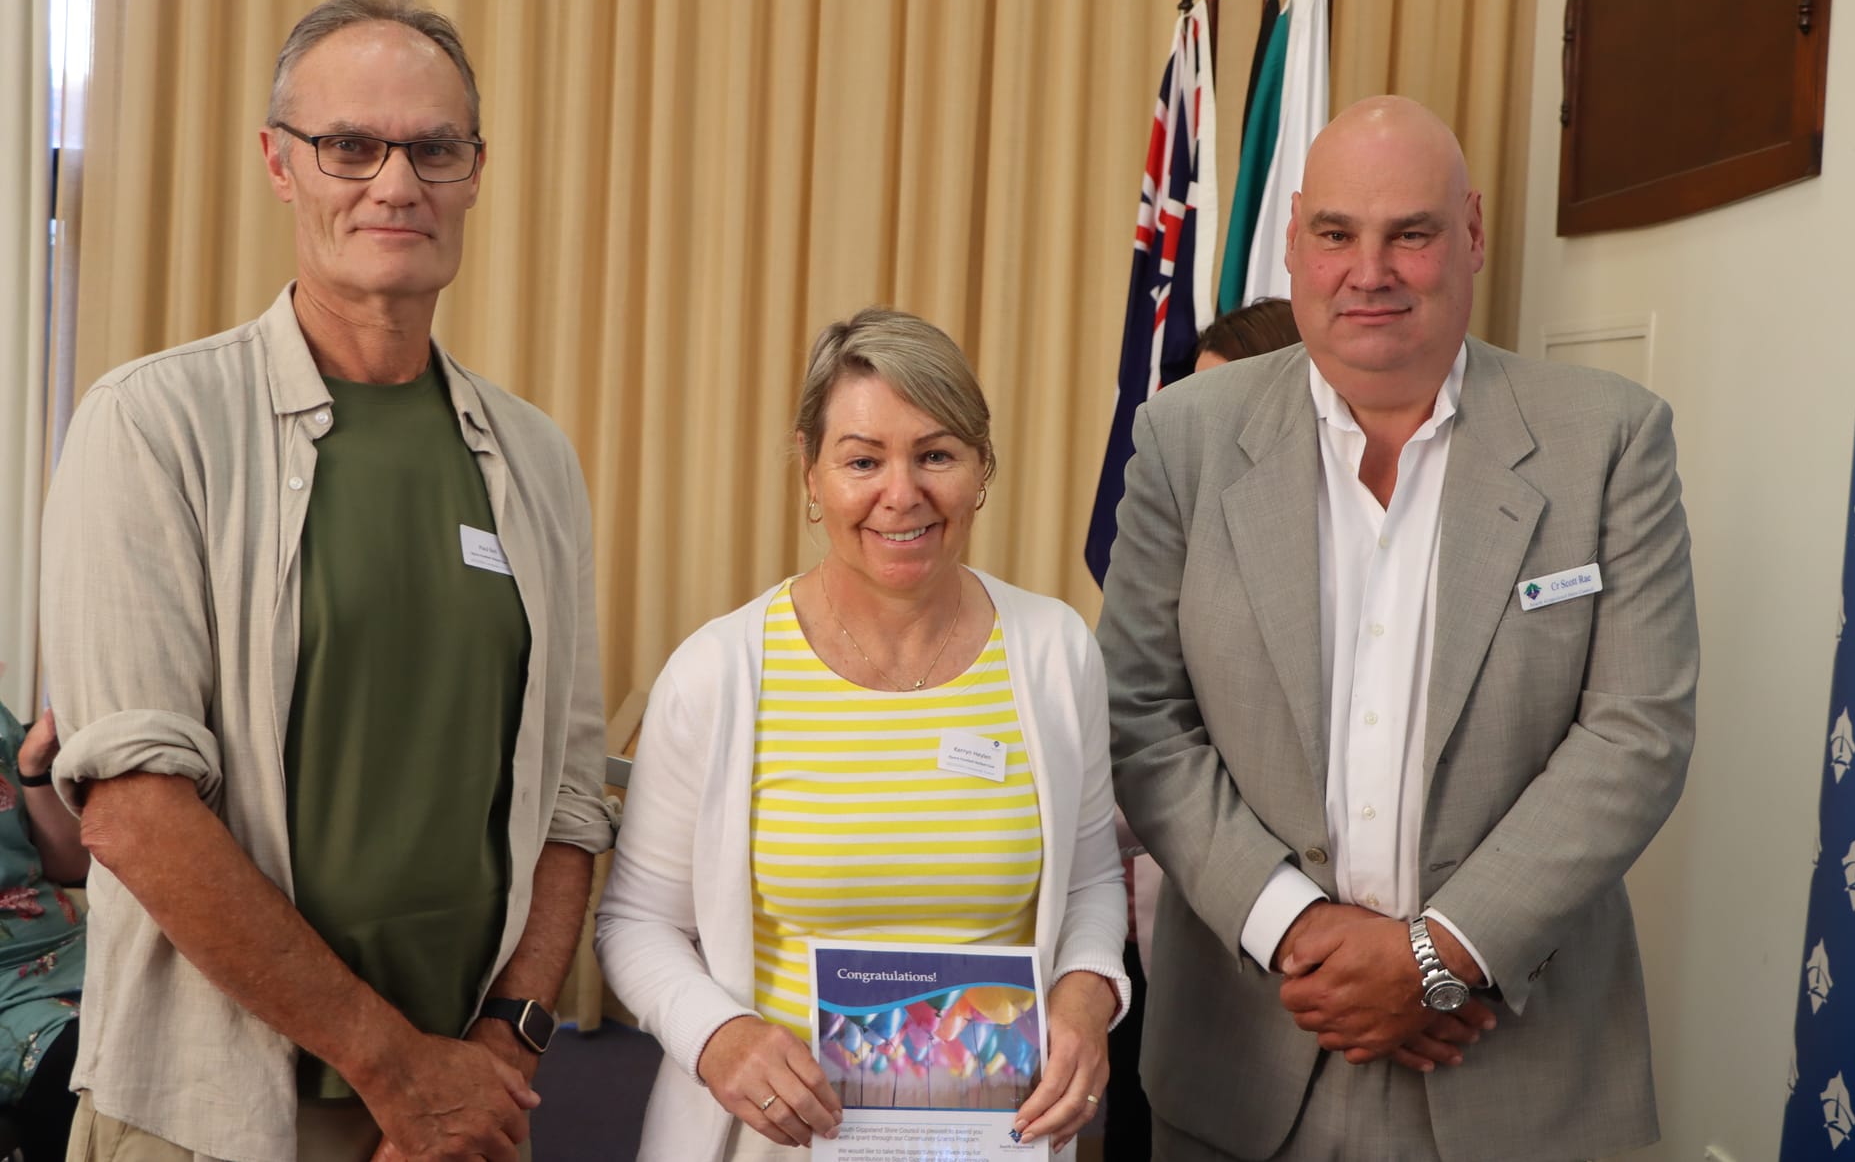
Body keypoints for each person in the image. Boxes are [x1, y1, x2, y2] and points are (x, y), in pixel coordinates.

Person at [40, 0, 614, 1162]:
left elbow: (568, 795)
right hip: (208, 1114)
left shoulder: (536, 460)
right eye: (349, 145)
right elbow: (136, 812)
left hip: (454, 1117)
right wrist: (393, 1065)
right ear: (279, 164)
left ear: (474, 169)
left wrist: (498, 1051)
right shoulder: (152, 426)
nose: (395, 183)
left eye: (433, 147)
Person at [1098, 96, 1698, 1161]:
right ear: (1293, 240)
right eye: (1335, 234)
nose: (1366, 270)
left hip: (1513, 1064)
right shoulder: (1184, 437)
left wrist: (1439, 956)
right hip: (1246, 1056)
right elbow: (1140, 714)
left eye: (1407, 234)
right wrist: (1299, 928)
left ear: (1467, 233)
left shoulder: (1607, 439)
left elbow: (1635, 733)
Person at [597, 307, 1129, 1161]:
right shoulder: (720, 671)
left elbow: (1095, 877)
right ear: (810, 473)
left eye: (936, 454)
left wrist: (1084, 993)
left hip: (996, 1140)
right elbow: (633, 920)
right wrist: (719, 1036)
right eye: (862, 459)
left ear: (981, 469)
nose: (901, 492)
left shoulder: (1055, 651)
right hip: (774, 1143)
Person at [1103, 297, 1303, 1161]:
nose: (1203, 436)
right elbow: (1135, 744)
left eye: (1228, 407)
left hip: (1337, 982)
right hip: (1174, 972)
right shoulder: (1171, 545)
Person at [0, 703, 88, 1161]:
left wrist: (32, 771)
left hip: (71, 947)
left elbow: (70, 866)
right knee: (83, 1064)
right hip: (9, 997)